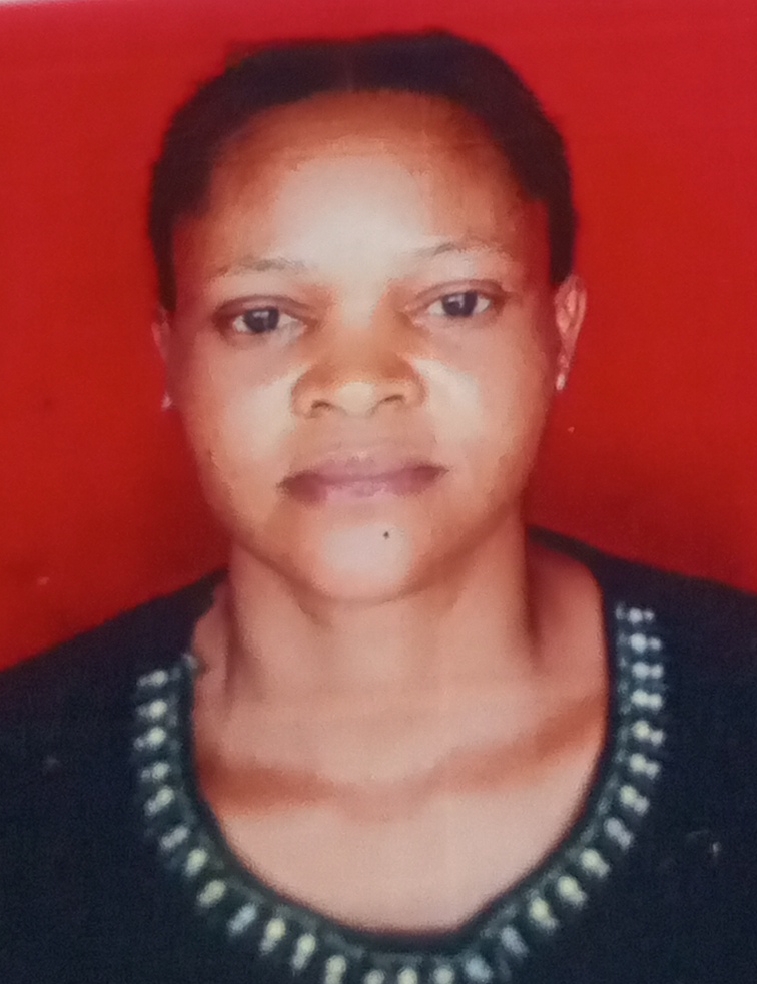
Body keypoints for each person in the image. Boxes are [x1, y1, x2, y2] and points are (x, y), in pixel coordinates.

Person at [1, 29, 756, 984]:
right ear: (172, 357)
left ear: (559, 335)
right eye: (263, 317)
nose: (357, 382)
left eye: (456, 302)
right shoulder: (25, 798)